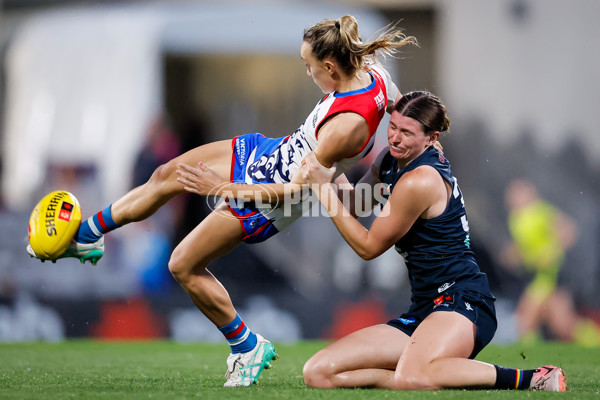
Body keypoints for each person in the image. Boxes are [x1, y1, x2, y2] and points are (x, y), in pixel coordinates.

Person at [27, 15, 416, 387]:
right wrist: (423, 151)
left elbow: (299, 190)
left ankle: (247, 347)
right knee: (166, 175)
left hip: (268, 199)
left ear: (331, 67)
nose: (307, 72)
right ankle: (89, 234)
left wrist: (222, 187)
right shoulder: (375, 75)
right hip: (270, 152)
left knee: (182, 264)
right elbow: (405, 112)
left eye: (309, 65)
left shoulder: (346, 128)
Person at [299, 91, 567, 392]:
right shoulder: (391, 160)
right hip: (424, 309)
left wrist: (322, 190)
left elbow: (368, 247)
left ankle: (531, 378)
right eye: (393, 127)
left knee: (413, 377)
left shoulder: (421, 180)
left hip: (462, 302)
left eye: (407, 132)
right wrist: (333, 165)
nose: (396, 138)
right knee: (318, 373)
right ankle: (416, 374)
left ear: (431, 137)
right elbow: (355, 207)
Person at [502, 178, 599, 346]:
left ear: (531, 193)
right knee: (562, 324)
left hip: (552, 274)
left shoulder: (540, 211)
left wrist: (551, 251)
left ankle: (529, 358)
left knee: (526, 318)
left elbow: (569, 231)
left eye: (519, 193)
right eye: (512, 194)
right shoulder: (515, 220)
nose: (515, 198)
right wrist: (515, 255)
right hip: (540, 275)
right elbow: (528, 248)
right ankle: (594, 341)